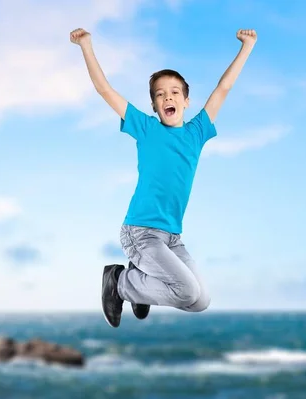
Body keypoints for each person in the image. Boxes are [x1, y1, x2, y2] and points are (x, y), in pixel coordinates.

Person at [70, 27, 257, 327]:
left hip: (172, 238)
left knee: (201, 301)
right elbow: (105, 90)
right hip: (140, 232)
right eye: (160, 95)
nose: (167, 97)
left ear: (186, 101)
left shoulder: (197, 132)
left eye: (174, 93)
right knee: (186, 290)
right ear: (155, 107)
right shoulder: (146, 129)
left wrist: (247, 47)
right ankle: (119, 282)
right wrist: (86, 45)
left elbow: (223, 88)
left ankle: (140, 287)